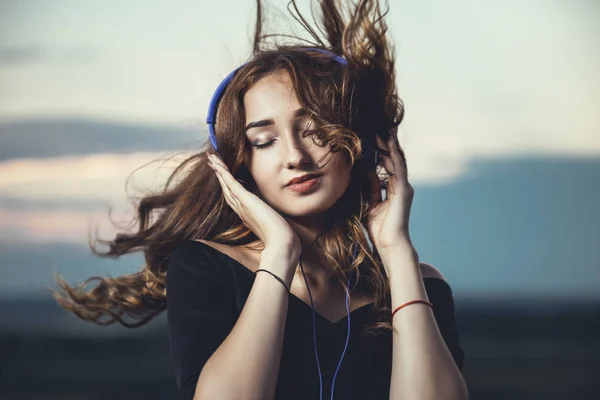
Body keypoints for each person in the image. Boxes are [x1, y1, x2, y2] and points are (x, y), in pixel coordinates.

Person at [52, 1, 468, 399]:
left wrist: (397, 253)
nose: (295, 157)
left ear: (357, 144)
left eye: (315, 131)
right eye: (265, 141)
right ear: (240, 164)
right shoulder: (207, 268)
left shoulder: (422, 282)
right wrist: (279, 254)